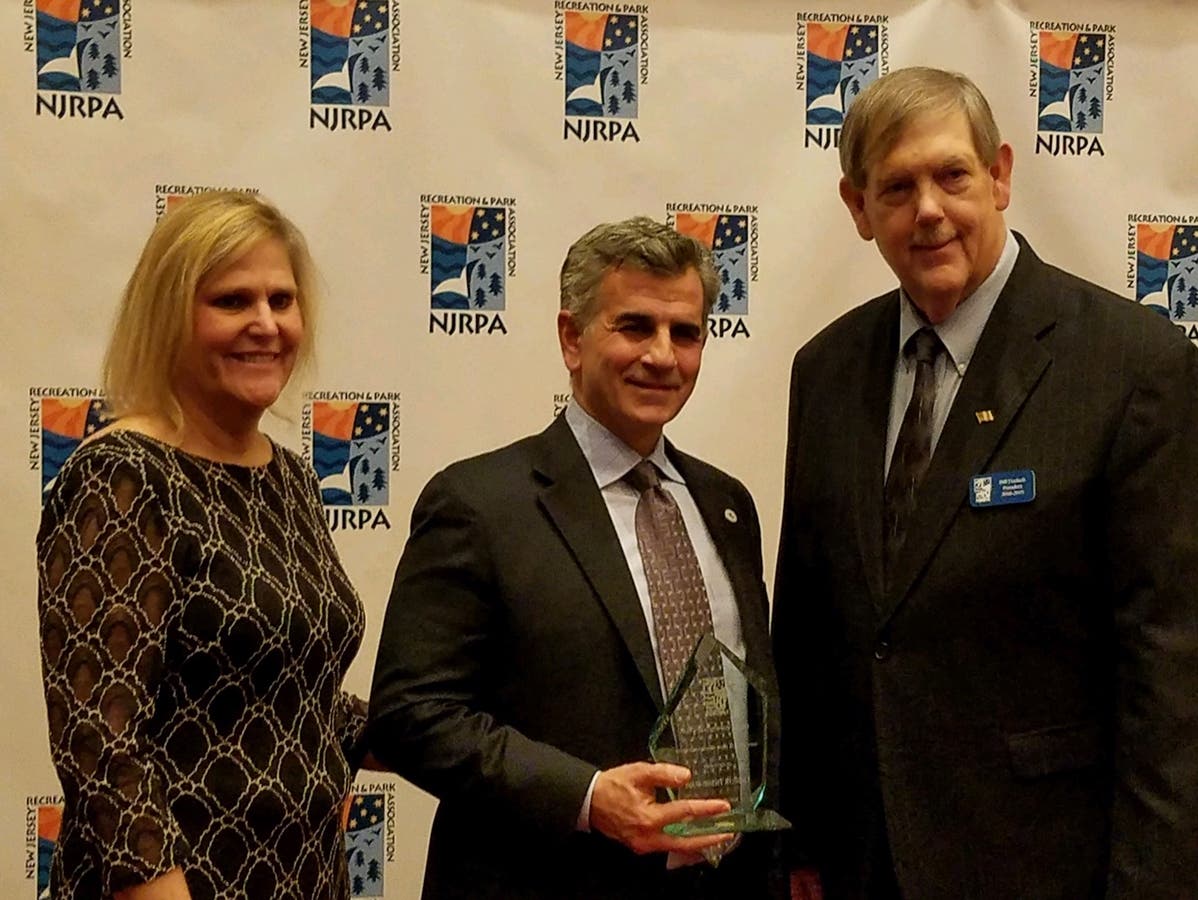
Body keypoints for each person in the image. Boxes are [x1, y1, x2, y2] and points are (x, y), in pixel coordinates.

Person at [772, 66, 1198, 899]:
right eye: (896, 187)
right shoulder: (823, 370)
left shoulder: (1134, 367)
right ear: (858, 210)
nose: (928, 209)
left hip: (1045, 863)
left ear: (999, 176)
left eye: (951, 176)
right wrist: (802, 839)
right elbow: (812, 626)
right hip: (861, 862)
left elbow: (1172, 671)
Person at [369, 217, 782, 900]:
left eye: (685, 333)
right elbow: (413, 715)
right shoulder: (479, 504)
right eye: (634, 327)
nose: (662, 355)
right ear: (571, 337)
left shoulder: (727, 505)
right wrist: (589, 796)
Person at [37, 191, 369, 900]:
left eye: (282, 300)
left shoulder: (290, 477)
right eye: (231, 301)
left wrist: (462, 727)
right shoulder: (125, 477)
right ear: (170, 317)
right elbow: (102, 741)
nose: (266, 324)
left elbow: (287, 693)